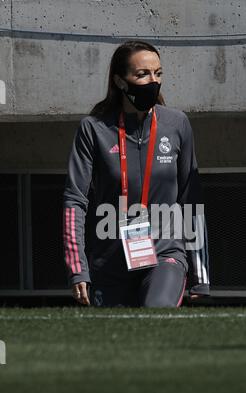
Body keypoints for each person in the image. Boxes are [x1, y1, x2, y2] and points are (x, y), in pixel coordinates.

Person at [62, 40, 210, 307]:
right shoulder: (93, 129)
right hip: (109, 261)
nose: (153, 81)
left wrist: (200, 274)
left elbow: (191, 200)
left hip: (166, 254)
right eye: (142, 74)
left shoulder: (177, 124)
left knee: (157, 315)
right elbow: (75, 200)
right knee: (116, 344)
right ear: (120, 81)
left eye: (158, 73)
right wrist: (77, 268)